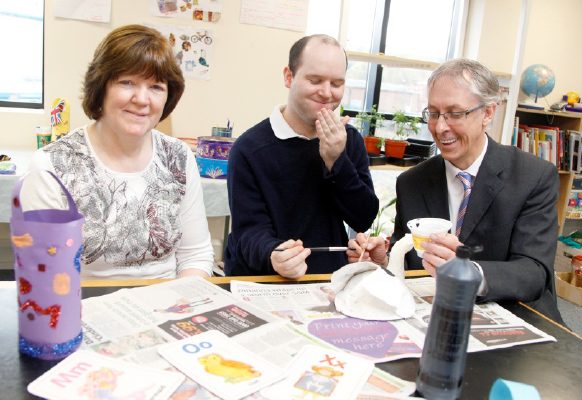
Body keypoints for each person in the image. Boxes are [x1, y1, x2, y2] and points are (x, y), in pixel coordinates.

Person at [349, 58, 563, 322]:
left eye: (455, 113)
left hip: (516, 314)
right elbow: (412, 256)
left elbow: (534, 273)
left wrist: (470, 272)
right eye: (434, 113)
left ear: (488, 113)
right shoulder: (412, 182)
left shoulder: (533, 176)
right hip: (436, 314)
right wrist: (385, 258)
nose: (440, 127)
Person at [21, 24, 214, 279]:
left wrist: (178, 307)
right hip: (83, 308)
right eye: (127, 82)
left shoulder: (177, 156)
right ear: (101, 88)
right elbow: (47, 278)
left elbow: (195, 255)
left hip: (168, 306)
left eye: (156, 87)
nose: (142, 99)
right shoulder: (52, 166)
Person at [225, 34, 379, 279]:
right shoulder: (249, 148)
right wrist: (273, 254)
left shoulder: (348, 140)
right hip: (263, 277)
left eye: (337, 83)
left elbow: (363, 217)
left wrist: (336, 160)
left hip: (328, 278)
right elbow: (249, 230)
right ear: (289, 77)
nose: (326, 93)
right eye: (315, 80)